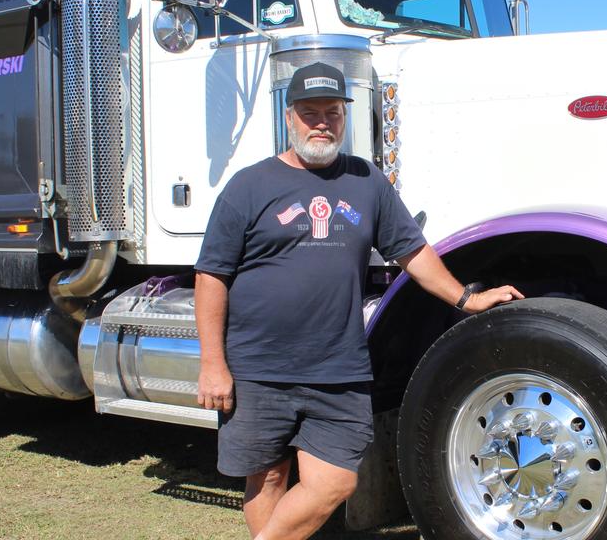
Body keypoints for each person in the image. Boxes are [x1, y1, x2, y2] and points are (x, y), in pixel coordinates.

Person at [193, 61, 522, 540]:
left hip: (338, 369)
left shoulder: (366, 182)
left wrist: (465, 299)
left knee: (336, 480)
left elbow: (412, 251)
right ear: (290, 118)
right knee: (267, 477)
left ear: (345, 117)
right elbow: (211, 275)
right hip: (258, 365)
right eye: (310, 112)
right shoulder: (250, 185)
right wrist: (212, 364)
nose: (321, 122)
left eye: (332, 111)